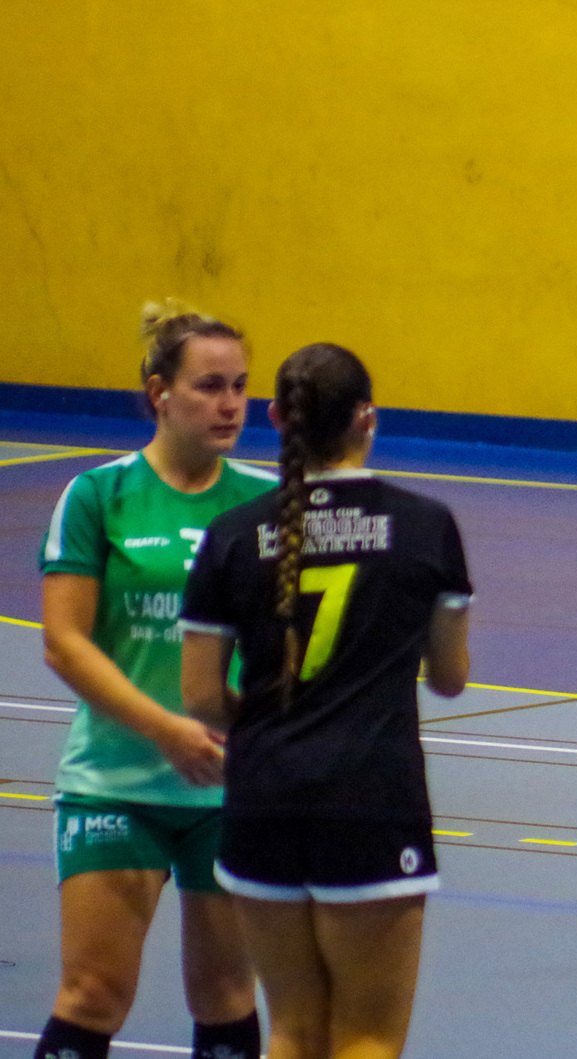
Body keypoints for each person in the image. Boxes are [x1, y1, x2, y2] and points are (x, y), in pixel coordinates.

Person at [178, 343, 471, 1059]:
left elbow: (203, 696)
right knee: (367, 1036)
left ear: (276, 417)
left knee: (293, 1030)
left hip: (263, 797)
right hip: (371, 796)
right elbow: (449, 677)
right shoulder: (425, 525)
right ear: (367, 418)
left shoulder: (234, 532)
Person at [34, 302, 271, 1059]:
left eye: (239, 386)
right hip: (116, 782)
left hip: (229, 790)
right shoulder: (99, 496)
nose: (230, 403)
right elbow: (66, 643)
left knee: (227, 996)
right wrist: (166, 728)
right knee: (93, 993)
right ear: (158, 393)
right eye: (208, 385)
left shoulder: (268, 501)